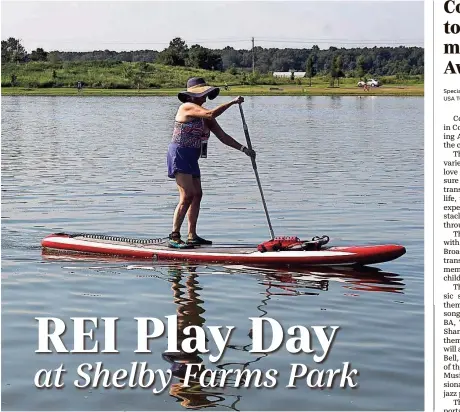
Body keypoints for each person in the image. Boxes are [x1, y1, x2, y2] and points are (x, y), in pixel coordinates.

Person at [167, 77, 256, 248]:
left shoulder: (204, 116)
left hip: (193, 157)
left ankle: (192, 235)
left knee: (197, 194)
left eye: (205, 95)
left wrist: (245, 150)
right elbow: (211, 113)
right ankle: (174, 236)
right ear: (191, 96)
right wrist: (232, 103)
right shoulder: (186, 107)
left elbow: (223, 137)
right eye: (201, 95)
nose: (204, 99)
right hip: (180, 153)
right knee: (187, 196)